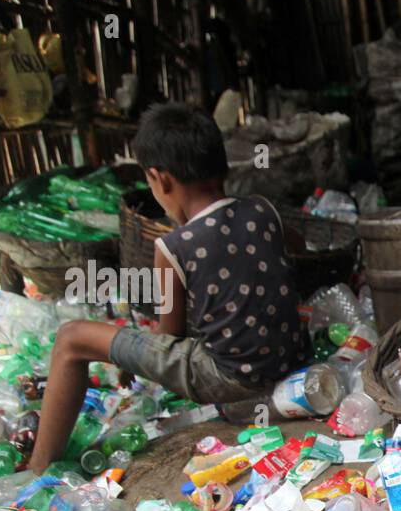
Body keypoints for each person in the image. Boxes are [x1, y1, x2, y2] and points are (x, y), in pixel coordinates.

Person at [29, 103, 309, 474]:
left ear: (160, 180)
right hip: (290, 358)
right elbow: (300, 247)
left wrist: (130, 356)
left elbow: (169, 338)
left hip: (230, 379)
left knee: (70, 338)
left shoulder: (174, 246)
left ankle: (36, 467)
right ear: (221, 166)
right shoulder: (263, 210)